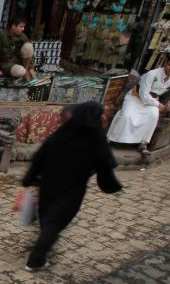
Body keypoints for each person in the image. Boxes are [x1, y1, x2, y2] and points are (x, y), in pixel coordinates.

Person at [22, 101, 122, 271]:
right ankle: (35, 260)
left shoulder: (62, 134)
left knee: (48, 219)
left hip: (48, 185)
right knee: (55, 223)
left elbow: (39, 156)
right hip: (72, 190)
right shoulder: (96, 139)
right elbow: (108, 162)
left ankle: (44, 244)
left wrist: (28, 179)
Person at [107, 55, 170, 154]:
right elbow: (144, 95)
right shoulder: (152, 74)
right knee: (127, 117)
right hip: (135, 98)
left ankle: (143, 144)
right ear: (165, 63)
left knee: (153, 115)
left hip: (152, 101)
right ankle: (111, 140)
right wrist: (159, 105)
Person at [0, 15, 36, 81]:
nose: (23, 29)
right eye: (21, 26)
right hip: (6, 65)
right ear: (13, 26)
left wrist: (31, 67)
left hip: (19, 62)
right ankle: (24, 72)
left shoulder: (22, 36)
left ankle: (26, 70)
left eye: (24, 27)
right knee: (20, 71)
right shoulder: (2, 34)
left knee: (29, 46)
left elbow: (30, 54)